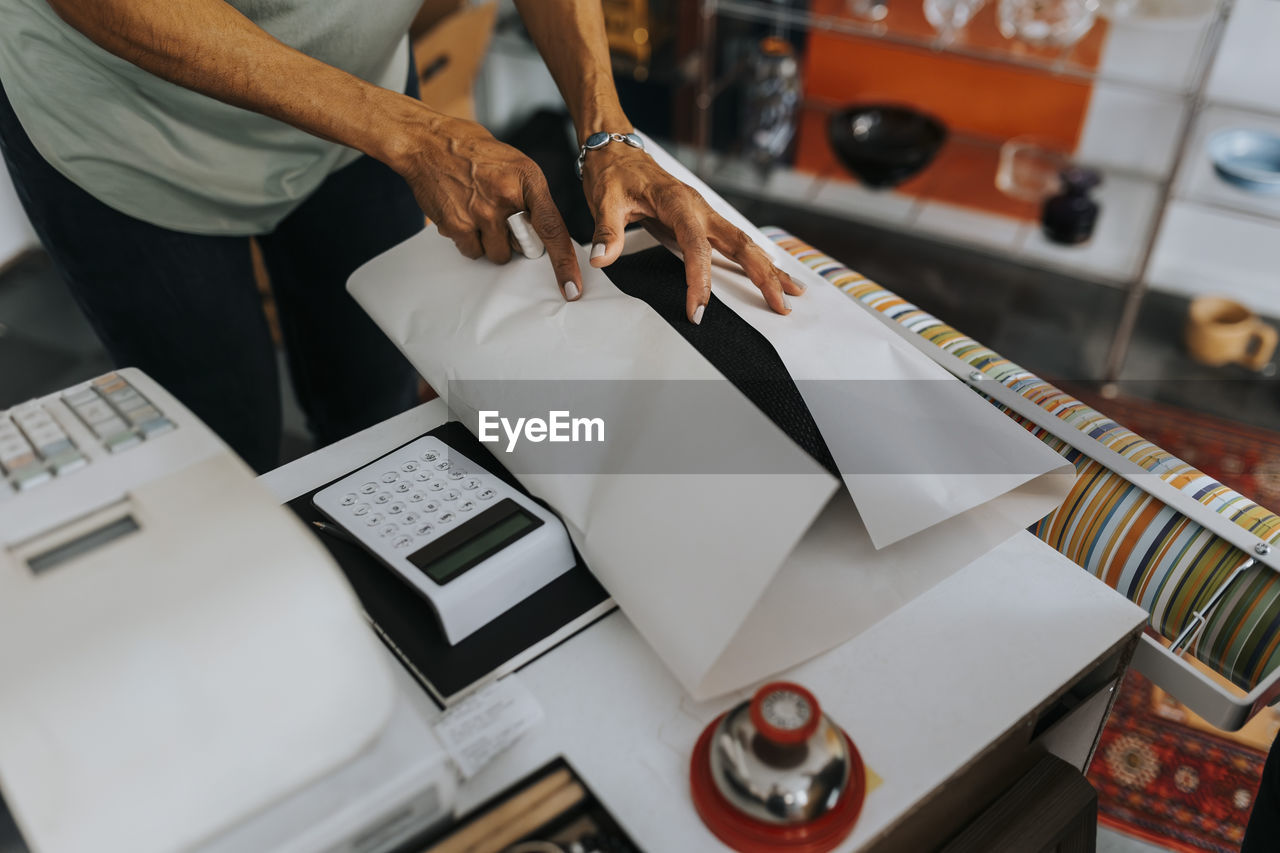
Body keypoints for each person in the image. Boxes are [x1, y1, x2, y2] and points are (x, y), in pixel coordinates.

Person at [0, 0, 803, 472]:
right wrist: (413, 136)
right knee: (221, 438)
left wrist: (606, 132)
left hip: (364, 112)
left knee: (376, 397)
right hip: (127, 132)